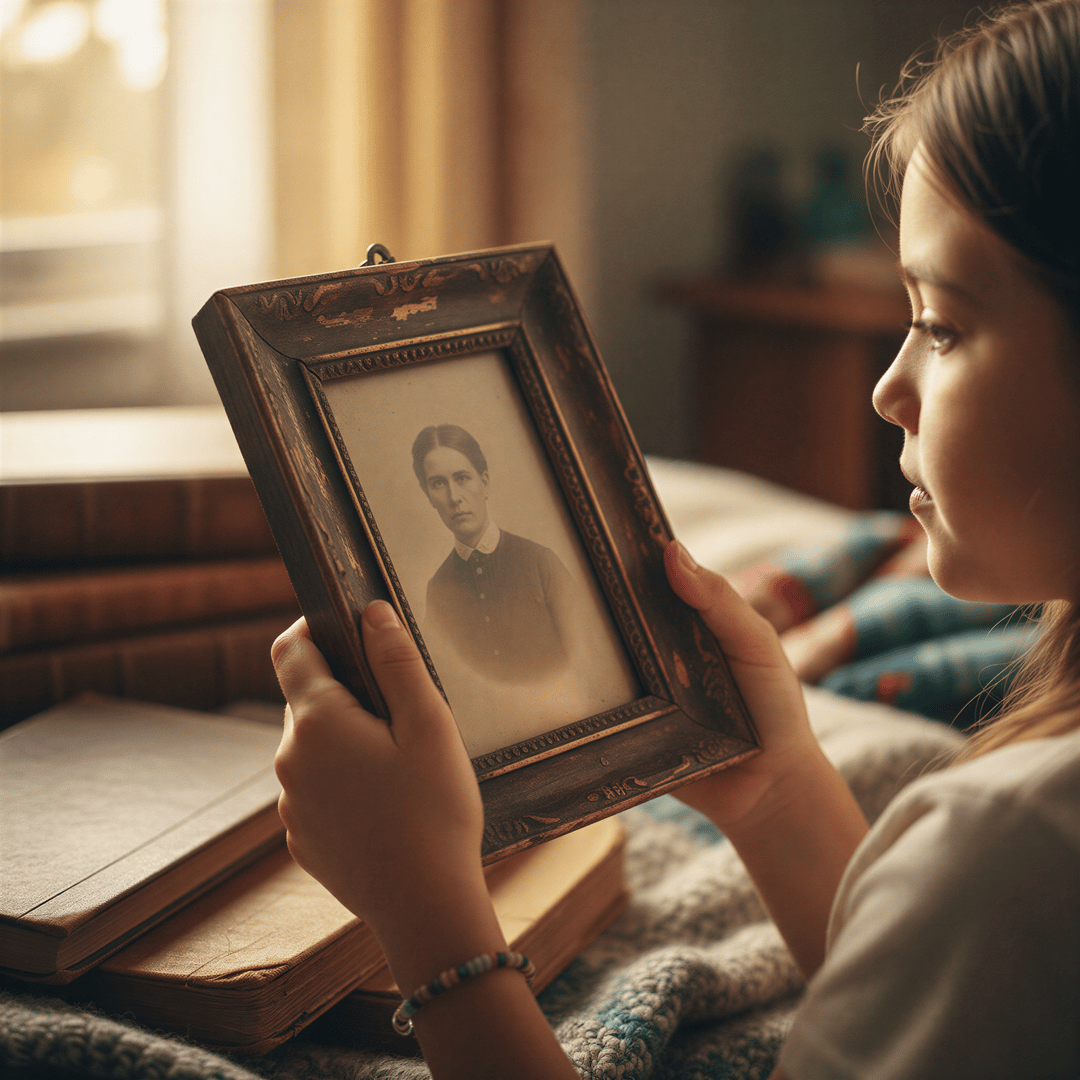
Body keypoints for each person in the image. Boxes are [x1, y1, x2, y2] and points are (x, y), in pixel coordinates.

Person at [270, 3, 1080, 1076]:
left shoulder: (1010, 849)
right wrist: (779, 784)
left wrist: (427, 917)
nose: (890, 389)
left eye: (939, 324)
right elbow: (945, 1008)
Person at [411, 424, 575, 684]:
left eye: (462, 478)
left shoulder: (540, 562)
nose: (454, 497)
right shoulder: (438, 590)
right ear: (428, 495)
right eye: (438, 483)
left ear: (484, 483)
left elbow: (588, 658)